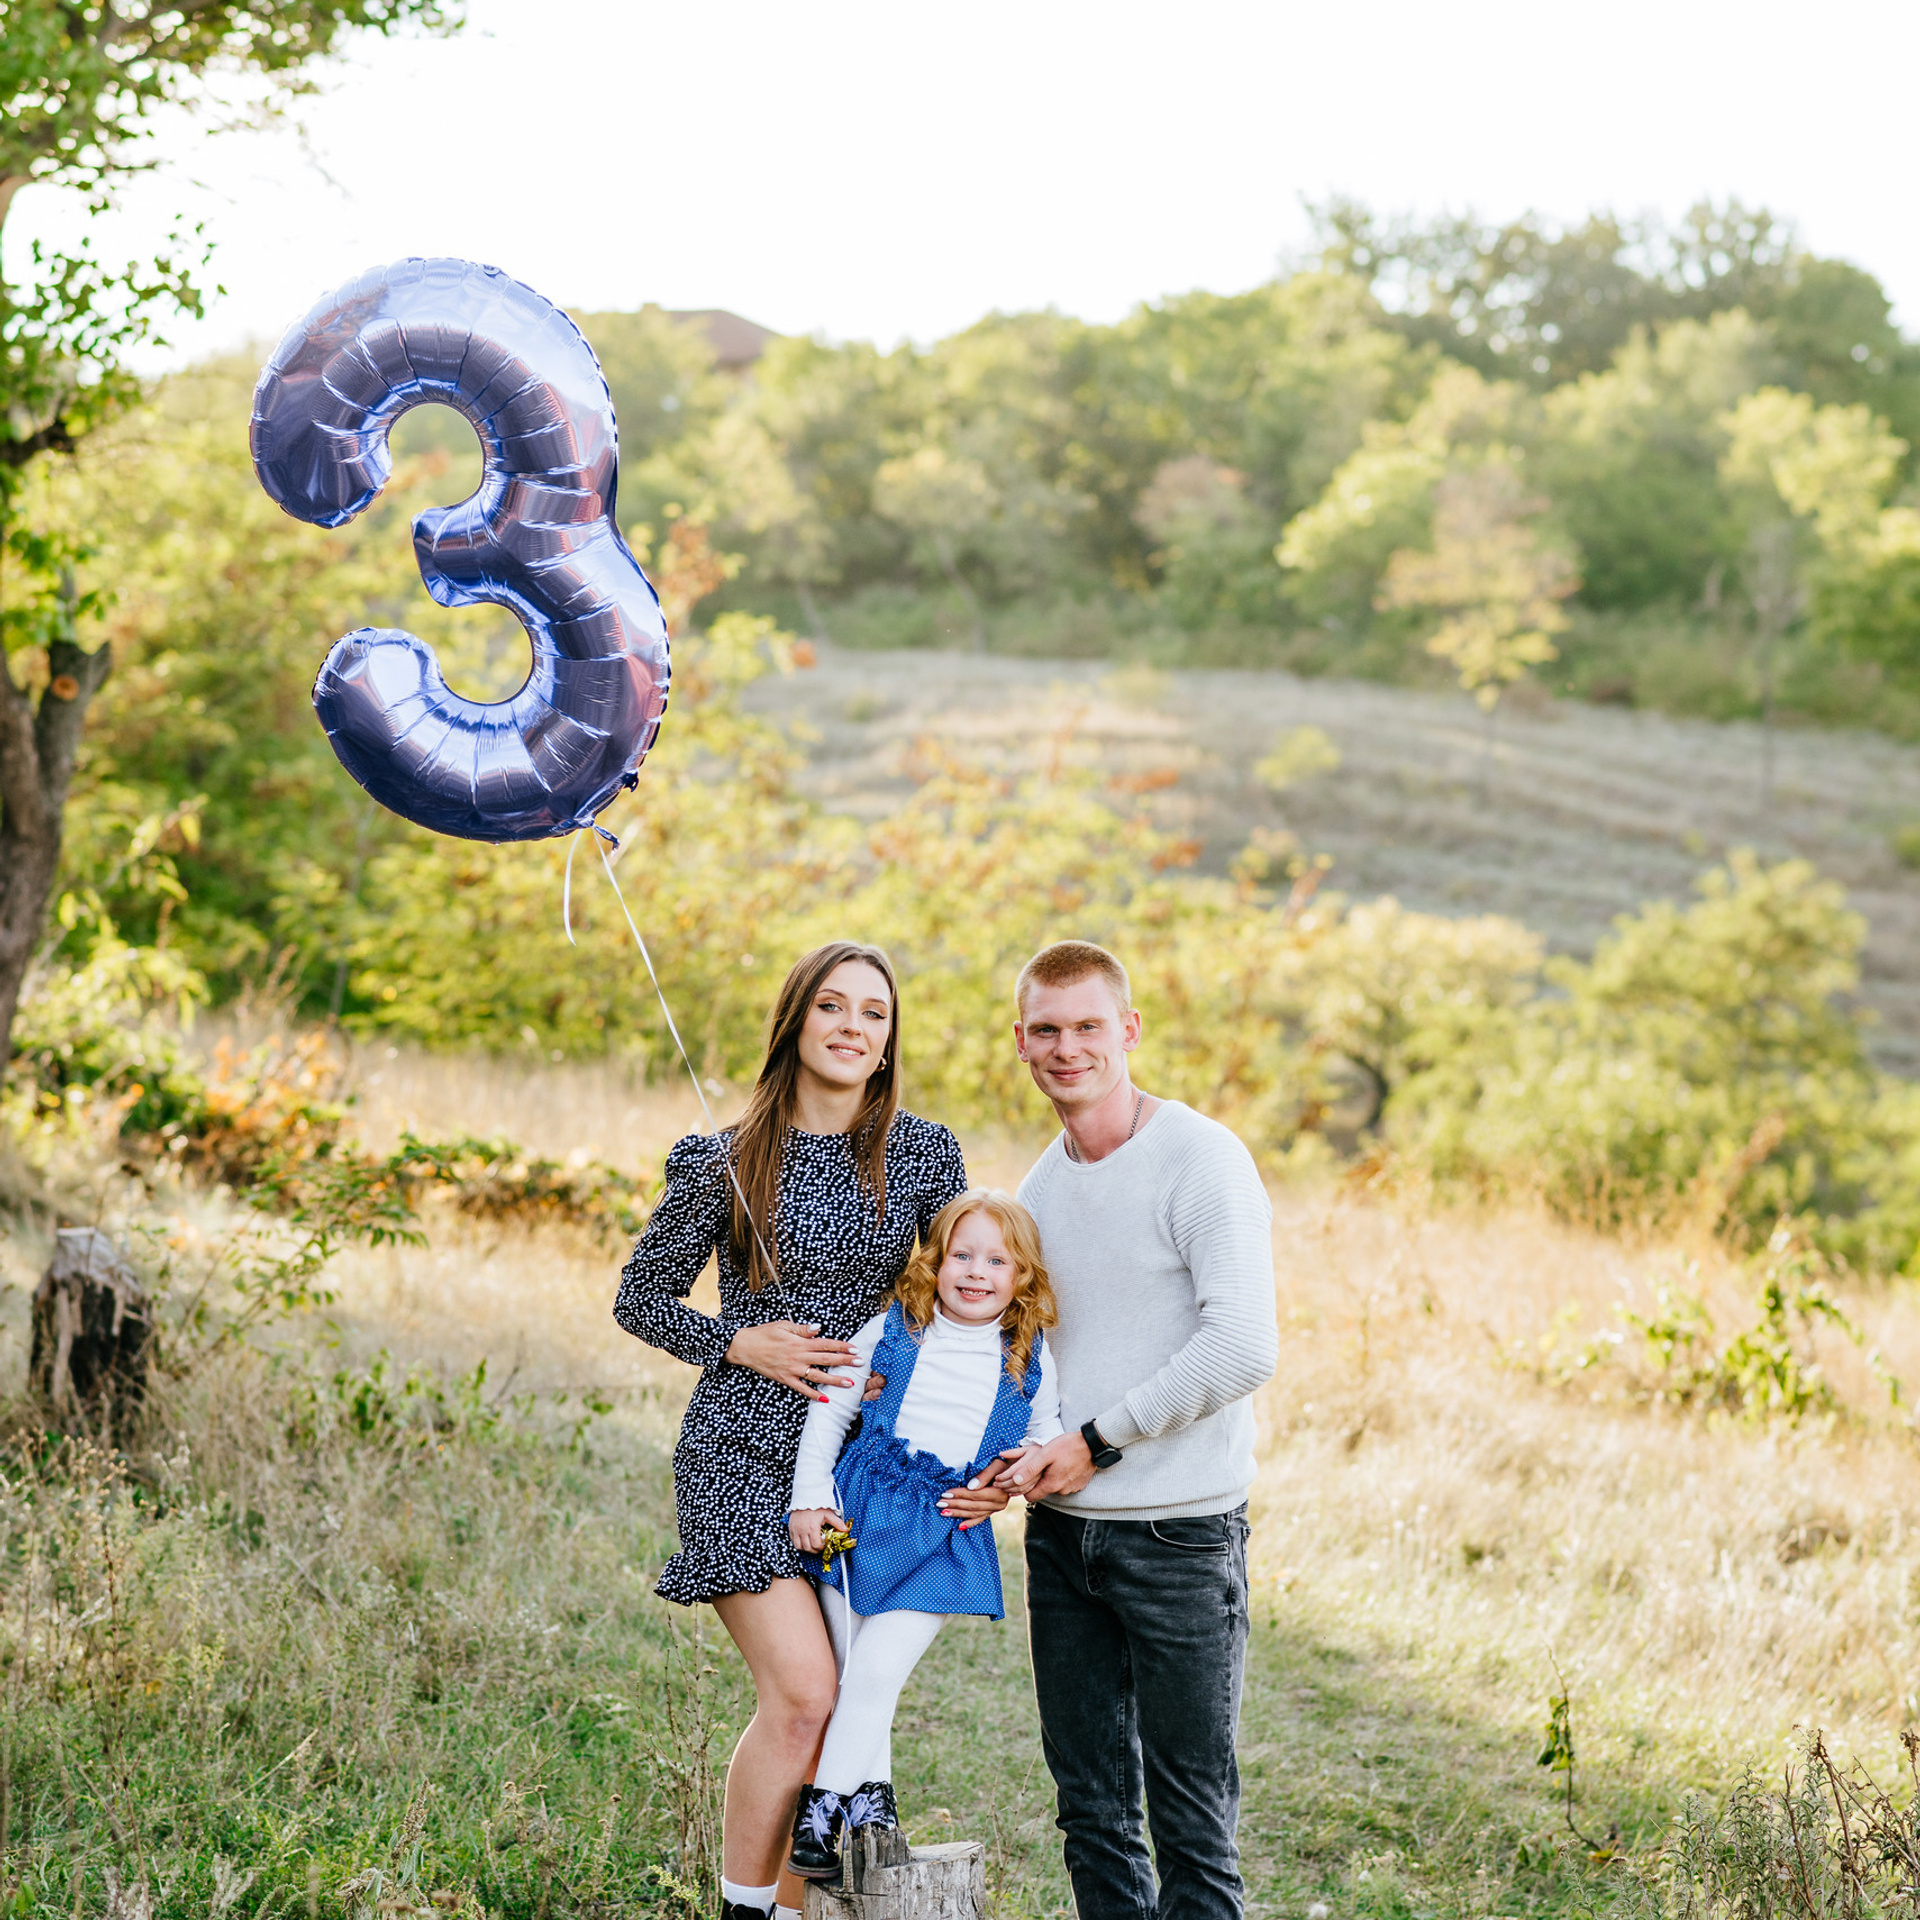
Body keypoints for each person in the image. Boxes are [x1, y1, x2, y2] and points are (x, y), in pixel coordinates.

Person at [613, 942, 989, 1920]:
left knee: (844, 1714)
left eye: (874, 1014)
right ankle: (742, 1909)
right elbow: (640, 1299)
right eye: (833, 1006)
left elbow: (968, 1294)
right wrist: (741, 1343)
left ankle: (797, 1911)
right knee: (805, 1695)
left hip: (859, 1465)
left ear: (888, 1041)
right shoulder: (722, 1160)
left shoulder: (921, 1154)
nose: (853, 1027)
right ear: (797, 1019)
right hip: (739, 1449)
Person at [990, 939, 1279, 1920]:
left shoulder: (1201, 1157)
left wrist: (1097, 1441)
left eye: (1086, 1027)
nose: (1067, 1048)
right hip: (1063, 1542)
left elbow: (1241, 1345)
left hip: (1180, 1538)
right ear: (1021, 1043)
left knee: (1191, 1820)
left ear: (1128, 1031)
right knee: (1093, 1810)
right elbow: (1032, 1359)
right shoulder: (1039, 1191)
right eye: (1046, 1030)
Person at [782, 1189, 1062, 1880]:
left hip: (946, 1529)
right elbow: (830, 1407)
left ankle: (821, 1811)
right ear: (934, 1263)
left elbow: (1045, 1435)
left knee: (878, 1670)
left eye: (997, 1260)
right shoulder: (895, 1329)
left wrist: (1014, 1477)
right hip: (863, 1513)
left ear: (1021, 1276)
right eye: (961, 1255)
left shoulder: (1028, 1355)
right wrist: (810, 1494)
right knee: (852, 1672)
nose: (976, 1271)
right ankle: (873, 1800)